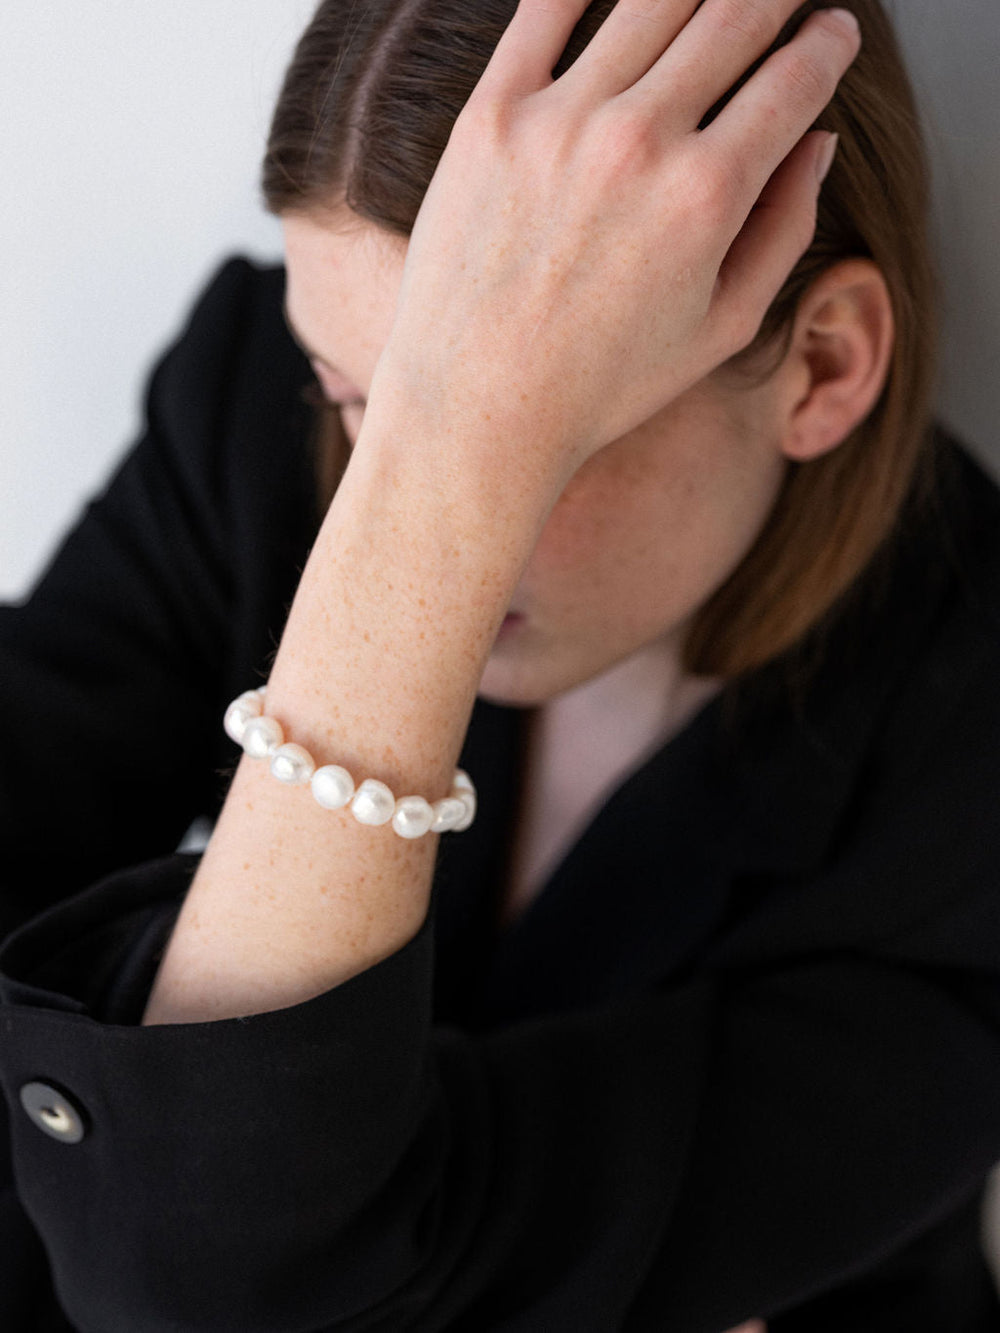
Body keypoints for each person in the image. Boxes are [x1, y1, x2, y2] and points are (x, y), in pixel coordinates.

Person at [2, 0, 1000, 1328]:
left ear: (819, 365)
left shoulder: (964, 754)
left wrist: (459, 466)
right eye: (350, 393)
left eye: (543, 414)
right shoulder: (248, 405)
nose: (376, 486)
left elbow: (219, 1283)